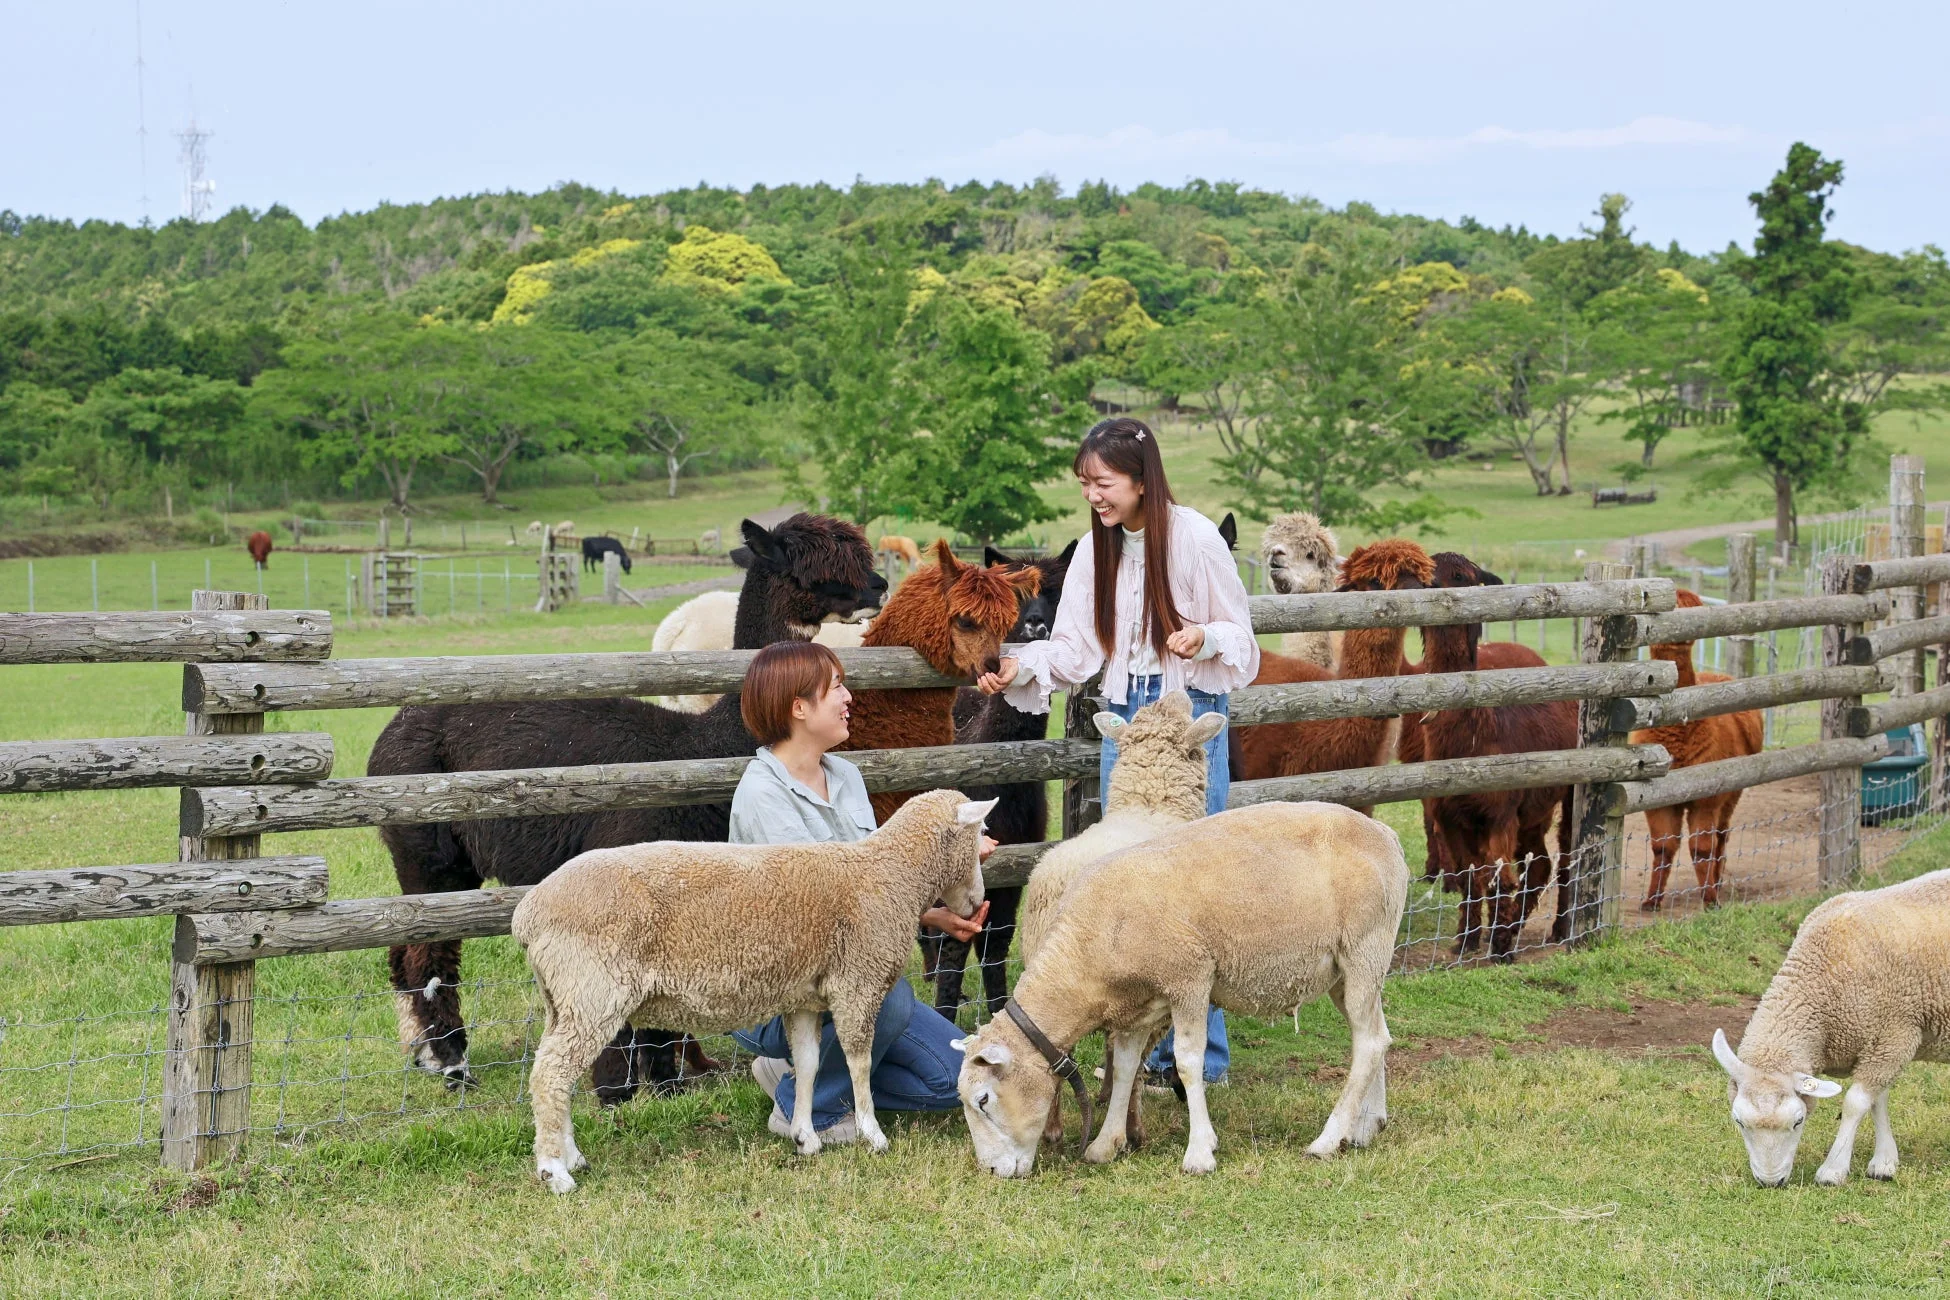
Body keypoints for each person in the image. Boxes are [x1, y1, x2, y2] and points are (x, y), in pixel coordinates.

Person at [976, 416, 1259, 1084]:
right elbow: (1078, 649)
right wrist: (1019, 666)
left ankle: (1196, 1057)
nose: (1094, 496)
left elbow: (1240, 638)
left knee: (1194, 882)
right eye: (1085, 485)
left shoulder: (1192, 539)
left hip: (1186, 717)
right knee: (1128, 877)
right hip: (1125, 726)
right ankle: (1132, 1048)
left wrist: (1205, 637)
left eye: (1102, 483)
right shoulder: (1093, 549)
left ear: (1139, 478)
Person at [728, 640, 995, 1145]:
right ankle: (803, 1106)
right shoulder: (763, 795)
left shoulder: (845, 776)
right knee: (888, 998)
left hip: (848, 976)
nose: (849, 697)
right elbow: (821, 914)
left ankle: (800, 1075)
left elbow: (873, 895)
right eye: (837, 688)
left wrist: (935, 910)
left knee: (952, 1079)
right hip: (779, 989)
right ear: (799, 707)